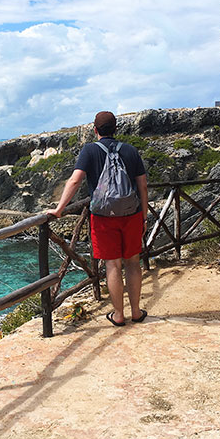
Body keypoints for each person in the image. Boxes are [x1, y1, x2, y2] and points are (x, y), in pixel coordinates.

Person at [47, 111, 149, 326]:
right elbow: (142, 185)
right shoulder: (130, 150)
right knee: (132, 262)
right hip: (131, 214)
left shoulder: (90, 150)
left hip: (103, 217)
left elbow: (75, 181)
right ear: (116, 129)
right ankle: (136, 312)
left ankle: (118, 315)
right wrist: (144, 216)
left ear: (95, 130)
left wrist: (59, 209)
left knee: (112, 264)